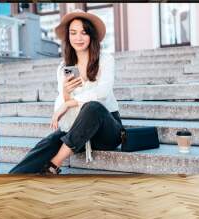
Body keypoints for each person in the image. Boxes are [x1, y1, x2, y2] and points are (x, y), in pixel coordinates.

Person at [9, 9, 123, 175]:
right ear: (68, 37)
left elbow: (102, 92)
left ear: (91, 35)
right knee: (50, 141)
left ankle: (53, 165)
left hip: (107, 133)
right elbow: (65, 118)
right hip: (79, 132)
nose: (78, 38)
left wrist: (69, 103)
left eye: (84, 33)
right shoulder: (65, 68)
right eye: (73, 33)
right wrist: (65, 94)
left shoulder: (105, 60)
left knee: (93, 107)